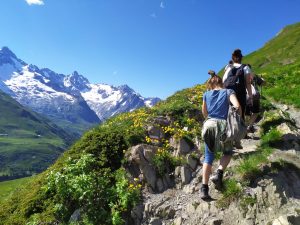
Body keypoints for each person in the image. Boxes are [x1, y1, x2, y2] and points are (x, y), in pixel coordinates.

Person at [200, 75, 241, 200]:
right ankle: (219, 174)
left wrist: (210, 118)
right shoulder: (229, 91)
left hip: (209, 125)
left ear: (211, 84)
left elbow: (204, 112)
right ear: (221, 83)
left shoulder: (206, 94)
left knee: (208, 157)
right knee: (227, 152)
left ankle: (204, 189)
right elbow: (237, 106)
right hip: (223, 126)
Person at [223, 49, 253, 120]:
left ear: (232, 58)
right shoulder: (245, 67)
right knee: (240, 113)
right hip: (240, 94)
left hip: (228, 94)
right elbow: (248, 83)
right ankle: (240, 129)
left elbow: (223, 81)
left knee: (229, 113)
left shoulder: (228, 67)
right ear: (241, 58)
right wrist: (250, 96)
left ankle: (229, 129)